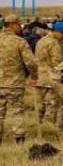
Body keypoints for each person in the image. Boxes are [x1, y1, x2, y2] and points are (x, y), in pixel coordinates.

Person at [0, 15, 37, 144]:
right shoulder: (20, 42)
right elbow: (31, 63)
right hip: (14, 84)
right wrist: (34, 76)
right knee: (17, 112)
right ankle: (19, 141)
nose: (20, 27)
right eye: (19, 25)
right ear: (13, 24)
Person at [34, 21, 63, 131]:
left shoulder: (40, 41)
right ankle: (48, 131)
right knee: (51, 106)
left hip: (39, 78)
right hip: (50, 79)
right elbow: (56, 64)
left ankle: (37, 129)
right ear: (57, 32)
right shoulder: (54, 44)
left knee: (39, 106)